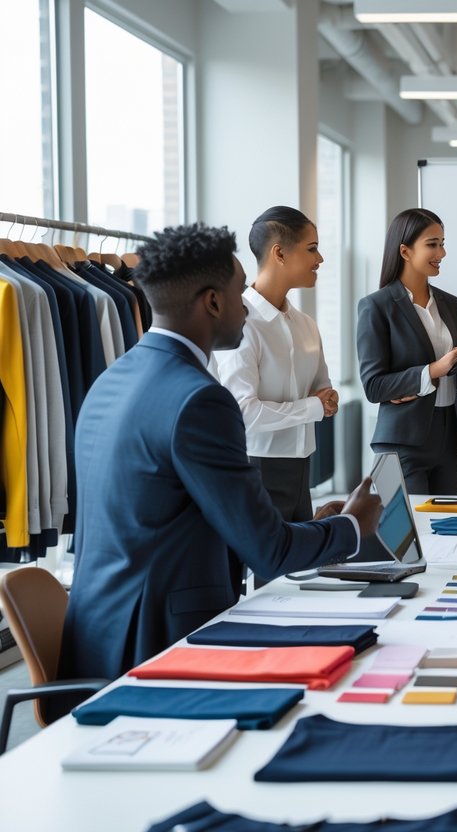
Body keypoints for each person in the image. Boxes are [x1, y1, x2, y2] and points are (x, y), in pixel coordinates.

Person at [60, 223, 381, 685]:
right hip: (162, 645)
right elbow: (267, 553)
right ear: (212, 302)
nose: (246, 309)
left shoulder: (113, 378)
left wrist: (316, 526)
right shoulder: (201, 399)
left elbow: (177, 517)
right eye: (238, 294)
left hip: (99, 639)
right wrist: (354, 527)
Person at [357, 208, 457, 495]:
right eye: (432, 244)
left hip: (448, 439)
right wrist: (433, 370)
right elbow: (374, 386)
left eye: (443, 243)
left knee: (446, 530)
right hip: (401, 442)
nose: (442, 252)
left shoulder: (451, 304)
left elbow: (456, 376)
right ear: (405, 251)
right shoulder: (376, 306)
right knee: (409, 534)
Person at [212, 206, 337, 524]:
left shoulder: (306, 324)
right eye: (312, 249)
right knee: (266, 573)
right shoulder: (240, 324)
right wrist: (313, 407)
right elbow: (243, 413)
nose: (319, 259)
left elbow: (322, 389)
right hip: (256, 469)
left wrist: (326, 399)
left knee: (299, 569)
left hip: (302, 466)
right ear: (279, 253)